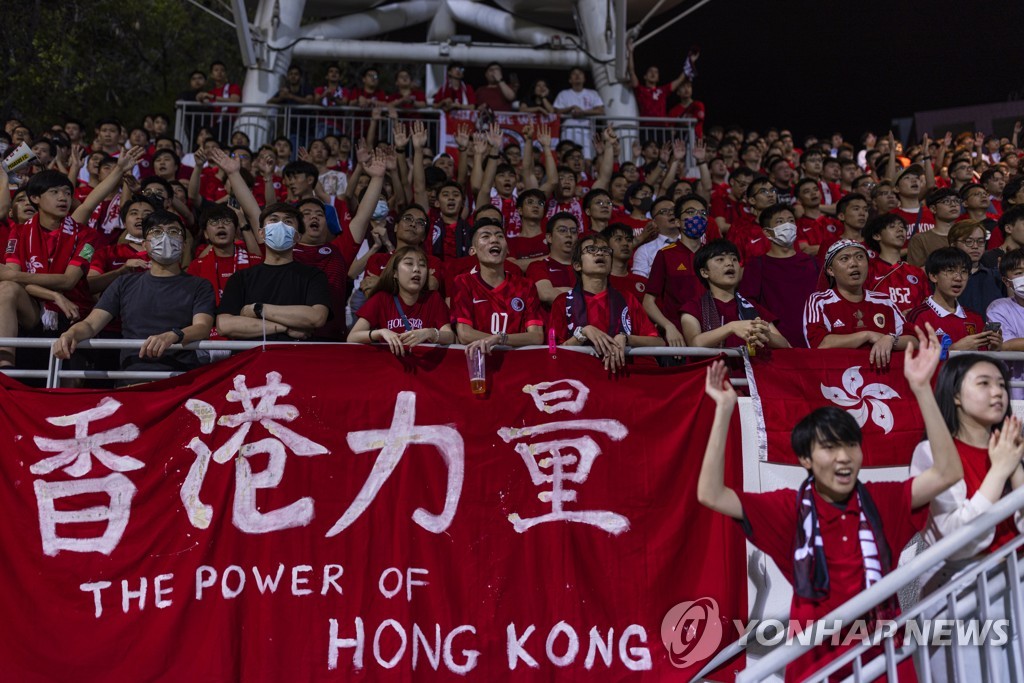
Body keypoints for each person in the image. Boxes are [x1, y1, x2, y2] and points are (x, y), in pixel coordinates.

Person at [697, 323, 961, 683]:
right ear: (805, 459)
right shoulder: (787, 508)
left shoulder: (883, 500)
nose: (843, 458)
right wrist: (724, 411)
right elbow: (711, 494)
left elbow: (946, 472)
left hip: (885, 660)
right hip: (816, 662)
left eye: (850, 445)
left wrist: (921, 389)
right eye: (829, 447)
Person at [910, 354, 1024, 682]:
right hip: (960, 593)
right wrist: (1000, 471)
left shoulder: (1008, 450)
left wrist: (1013, 466)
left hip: (1011, 586)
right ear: (956, 395)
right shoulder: (931, 453)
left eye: (1002, 384)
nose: (998, 392)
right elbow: (958, 541)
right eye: (984, 383)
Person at [52, 211, 215, 379]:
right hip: (133, 377)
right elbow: (91, 325)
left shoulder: (200, 285)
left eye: (174, 232)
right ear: (145, 245)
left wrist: (173, 335)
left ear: (184, 243)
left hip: (182, 378)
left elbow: (202, 327)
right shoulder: (124, 283)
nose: (166, 238)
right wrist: (70, 334)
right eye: (157, 232)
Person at [216, 203, 331, 341]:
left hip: (295, 358)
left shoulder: (313, 276)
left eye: (288, 221)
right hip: (253, 358)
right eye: (274, 220)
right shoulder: (241, 278)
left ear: (298, 237)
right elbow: (225, 325)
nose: (280, 225)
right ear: (261, 233)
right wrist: (285, 328)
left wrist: (258, 309)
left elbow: (316, 317)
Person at [549, 233, 662, 373]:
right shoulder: (562, 302)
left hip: (623, 377)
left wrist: (626, 338)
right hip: (580, 377)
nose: (600, 253)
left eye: (605, 250)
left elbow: (658, 342)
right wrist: (582, 333)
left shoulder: (627, 298)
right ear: (578, 265)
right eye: (591, 250)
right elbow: (552, 349)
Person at [803, 240, 914, 367]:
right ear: (830, 270)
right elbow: (819, 344)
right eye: (845, 259)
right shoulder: (820, 301)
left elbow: (914, 340)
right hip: (838, 380)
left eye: (860, 257)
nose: (854, 263)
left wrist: (891, 339)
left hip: (883, 380)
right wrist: (867, 335)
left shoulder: (884, 301)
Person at [450, 220, 544, 352]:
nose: (494, 240)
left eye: (500, 236)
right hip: (479, 363)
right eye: (485, 236)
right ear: (473, 250)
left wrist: (499, 339)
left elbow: (537, 336)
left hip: (517, 365)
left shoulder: (525, 286)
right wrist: (497, 340)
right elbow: (465, 334)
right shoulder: (463, 282)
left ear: (507, 250)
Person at [680, 239, 789, 350]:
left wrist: (766, 335)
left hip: (752, 367)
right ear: (704, 272)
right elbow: (694, 343)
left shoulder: (752, 307)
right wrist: (731, 327)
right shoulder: (693, 308)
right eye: (720, 259)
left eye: (734, 259)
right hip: (715, 367)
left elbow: (786, 345)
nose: (730, 263)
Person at [348, 246, 454, 355]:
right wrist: (380, 332)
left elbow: (450, 337)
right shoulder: (381, 298)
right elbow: (352, 337)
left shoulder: (434, 298)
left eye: (422, 265)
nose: (417, 269)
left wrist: (430, 333)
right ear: (395, 273)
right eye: (409, 263)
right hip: (388, 367)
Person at [739, 204, 819, 347]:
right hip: (777, 343)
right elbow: (747, 302)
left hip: (815, 341)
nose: (788, 225)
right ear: (767, 232)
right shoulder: (757, 265)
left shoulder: (812, 262)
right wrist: (772, 333)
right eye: (780, 222)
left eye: (791, 220)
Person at [907, 248, 1000, 350]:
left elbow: (981, 359)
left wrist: (994, 349)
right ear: (933, 276)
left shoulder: (975, 318)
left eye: (964, 272)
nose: (958, 278)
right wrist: (953, 350)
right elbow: (914, 360)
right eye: (950, 271)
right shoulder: (918, 316)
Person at [863, 214, 928, 316]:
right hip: (882, 329)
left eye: (902, 227)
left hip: (915, 329)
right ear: (877, 236)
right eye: (892, 226)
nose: (900, 230)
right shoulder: (867, 270)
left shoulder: (917, 272)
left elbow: (927, 305)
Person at [951, 219, 1004, 319]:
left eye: (980, 241)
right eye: (969, 241)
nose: (975, 246)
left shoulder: (996, 276)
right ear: (953, 245)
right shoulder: (943, 277)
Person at [525, 212, 578, 307]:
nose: (569, 235)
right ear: (549, 237)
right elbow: (546, 295)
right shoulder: (538, 266)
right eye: (562, 230)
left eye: (573, 231)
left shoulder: (585, 267)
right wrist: (582, 296)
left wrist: (560, 290)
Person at [552, 68, 604, 158]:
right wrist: (571, 108)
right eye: (574, 74)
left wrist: (583, 112)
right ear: (570, 80)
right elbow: (556, 111)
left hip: (587, 132)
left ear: (584, 78)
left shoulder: (592, 93)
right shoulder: (563, 94)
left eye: (580, 73)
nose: (577, 75)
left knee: (587, 158)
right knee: (567, 157)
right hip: (568, 131)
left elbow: (600, 111)